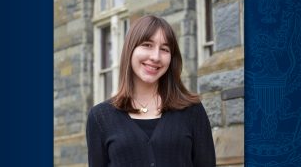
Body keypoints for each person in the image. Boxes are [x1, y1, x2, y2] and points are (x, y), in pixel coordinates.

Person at [86, 15, 216, 167]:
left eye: (165, 49)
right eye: (147, 45)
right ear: (130, 50)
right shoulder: (99, 118)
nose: (156, 56)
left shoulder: (192, 110)